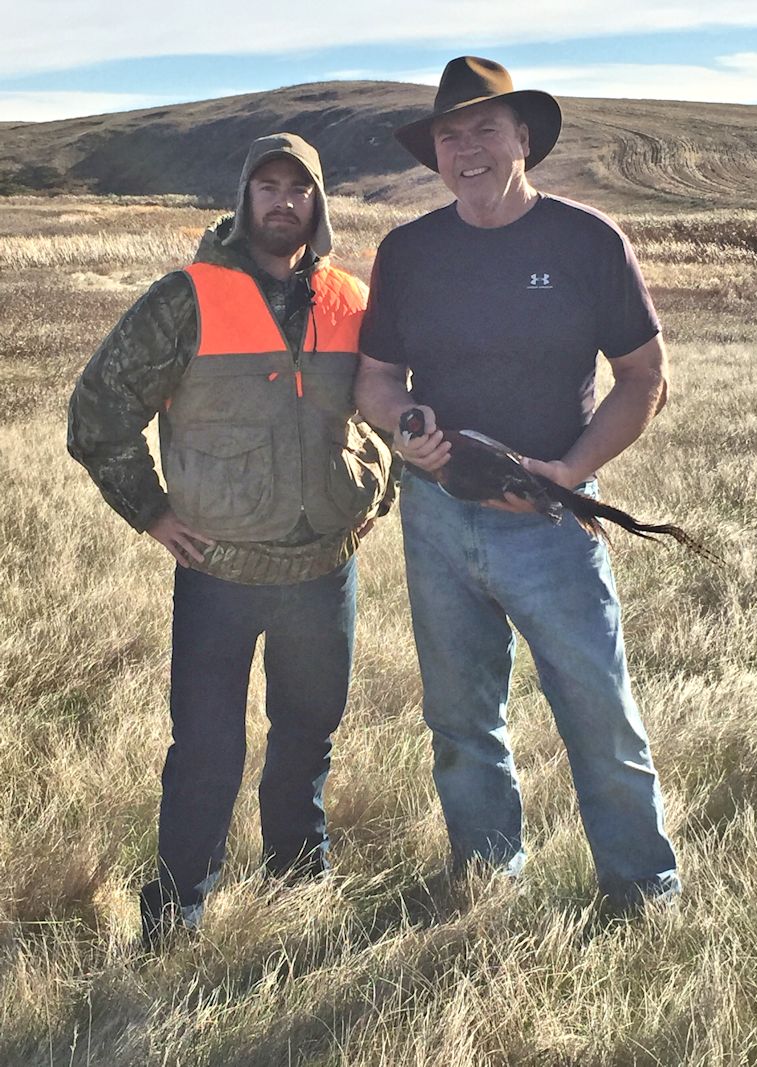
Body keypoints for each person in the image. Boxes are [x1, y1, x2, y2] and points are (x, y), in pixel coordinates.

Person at [355, 57, 680, 911]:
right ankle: (487, 880)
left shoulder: (586, 241)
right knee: (461, 721)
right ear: (435, 154)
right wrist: (408, 429)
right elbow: (376, 379)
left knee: (599, 715)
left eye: (485, 130)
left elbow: (644, 376)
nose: (466, 150)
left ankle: (643, 891)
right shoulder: (408, 251)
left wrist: (569, 472)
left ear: (524, 139)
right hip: (437, 518)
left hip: (551, 521)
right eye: (449, 136)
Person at [68, 133, 392, 946]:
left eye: (300, 188)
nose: (284, 201)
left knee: (308, 733)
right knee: (207, 746)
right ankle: (178, 907)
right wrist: (150, 512)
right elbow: (98, 411)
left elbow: (396, 407)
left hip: (323, 567)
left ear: (319, 203)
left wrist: (376, 490)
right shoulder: (185, 297)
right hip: (219, 570)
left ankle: (297, 880)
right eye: (268, 186)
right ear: (245, 196)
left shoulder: (353, 300)